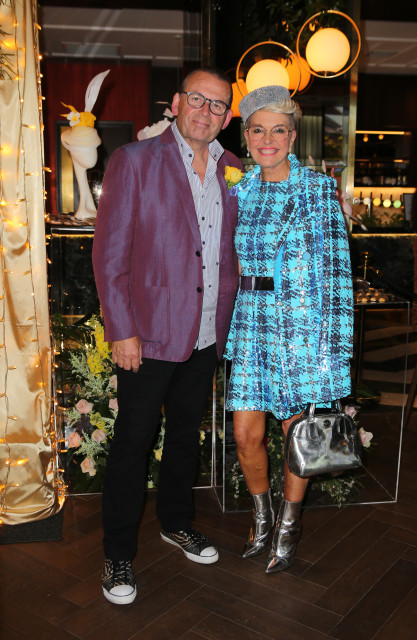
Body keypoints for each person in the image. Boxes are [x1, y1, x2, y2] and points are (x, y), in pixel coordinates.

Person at [92, 67, 242, 604]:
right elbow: (109, 255)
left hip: (206, 332)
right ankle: (117, 555)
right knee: (133, 441)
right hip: (148, 334)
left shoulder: (233, 168)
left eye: (218, 105)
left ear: (227, 117)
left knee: (183, 435)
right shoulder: (134, 160)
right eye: (197, 99)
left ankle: (176, 522)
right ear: (177, 103)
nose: (206, 111)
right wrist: (122, 330)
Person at [224, 85, 353, 573]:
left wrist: (334, 349)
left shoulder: (317, 190)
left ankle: (288, 526)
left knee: (297, 433)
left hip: (301, 328)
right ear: (247, 136)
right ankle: (262, 516)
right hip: (251, 322)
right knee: (245, 435)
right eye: (258, 130)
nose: (267, 139)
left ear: (293, 136)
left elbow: (337, 272)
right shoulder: (239, 191)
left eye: (278, 130)